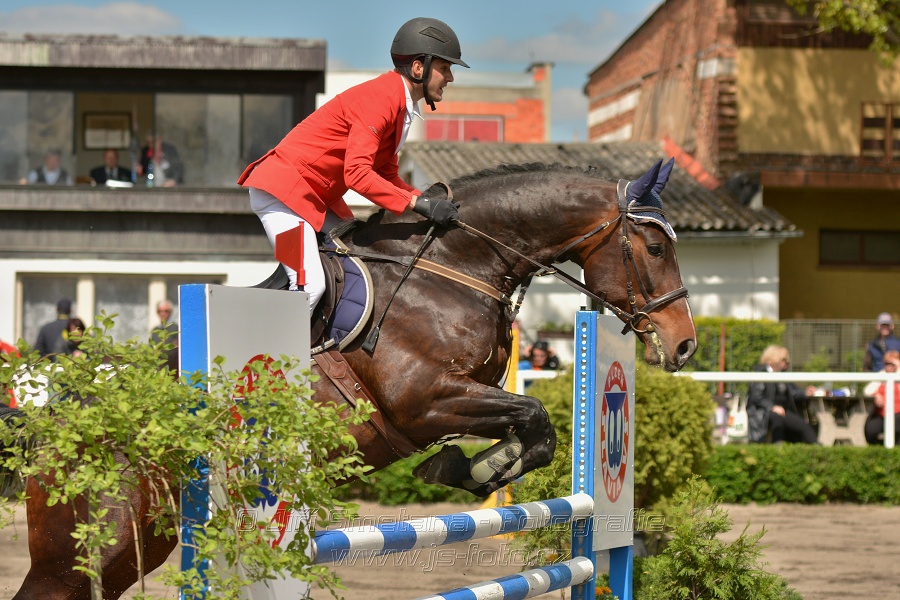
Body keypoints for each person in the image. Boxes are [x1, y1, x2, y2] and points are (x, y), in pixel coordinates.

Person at [238, 17, 466, 311]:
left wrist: (425, 202)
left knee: (363, 257)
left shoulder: (400, 106)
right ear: (419, 67)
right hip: (278, 197)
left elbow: (385, 175)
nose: (450, 78)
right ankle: (278, 357)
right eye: (445, 68)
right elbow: (357, 175)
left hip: (316, 200)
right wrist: (417, 204)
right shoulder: (380, 99)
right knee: (309, 284)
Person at [746, 345, 818, 444]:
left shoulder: (781, 375)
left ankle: (817, 448)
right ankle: (778, 448)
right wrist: (773, 407)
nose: (787, 363)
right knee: (777, 419)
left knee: (804, 425)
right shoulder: (761, 373)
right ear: (775, 358)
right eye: (784, 360)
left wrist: (805, 392)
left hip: (783, 411)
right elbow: (756, 397)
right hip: (763, 413)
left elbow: (793, 392)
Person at [864, 350, 900, 445]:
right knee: (870, 431)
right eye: (886, 363)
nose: (889, 366)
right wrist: (876, 394)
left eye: (891, 363)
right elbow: (867, 390)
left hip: (898, 413)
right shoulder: (882, 374)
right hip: (881, 414)